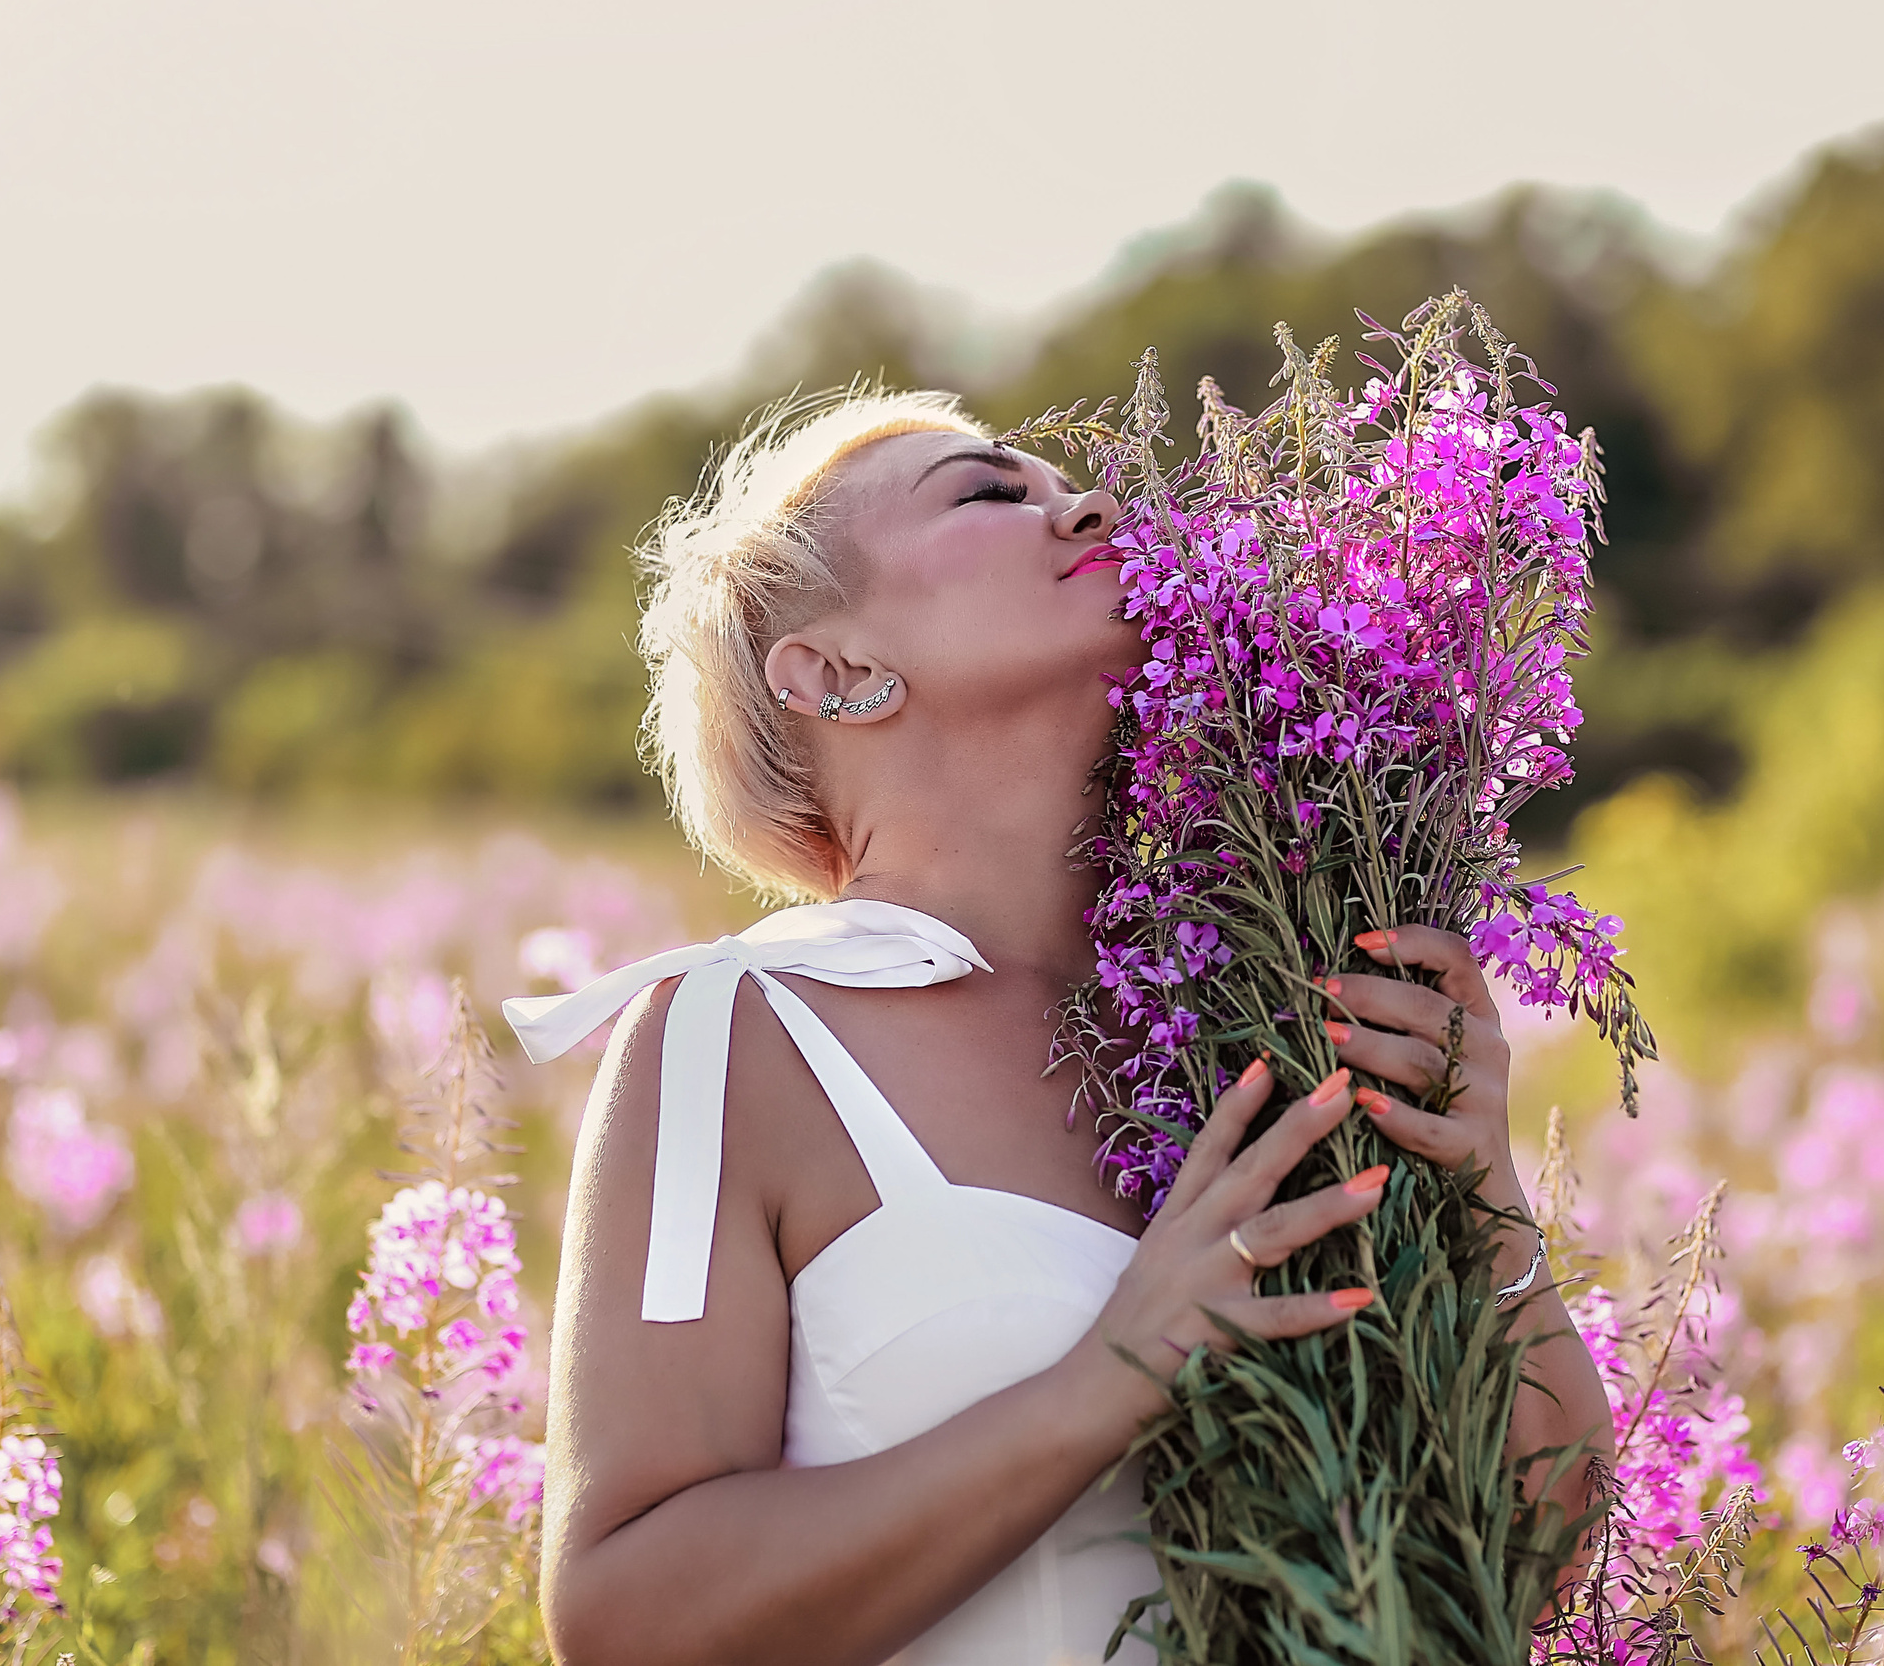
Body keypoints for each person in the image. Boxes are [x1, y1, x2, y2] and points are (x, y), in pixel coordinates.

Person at [507, 388, 1610, 1666]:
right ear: (836, 669)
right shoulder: (735, 1039)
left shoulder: (1269, 1012)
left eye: (1062, 482)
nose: (1088, 504)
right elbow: (626, 1618)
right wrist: (1112, 1379)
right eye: (988, 491)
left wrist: (1481, 1188)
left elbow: (1529, 1560)